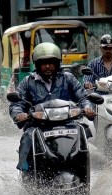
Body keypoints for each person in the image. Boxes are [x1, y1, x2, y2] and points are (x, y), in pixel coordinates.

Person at [9, 42, 96, 171]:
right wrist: (19, 114)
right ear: (37, 65)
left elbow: (83, 97)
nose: (48, 66)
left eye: (51, 62)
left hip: (67, 123)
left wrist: (88, 107)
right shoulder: (28, 82)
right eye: (44, 63)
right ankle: (25, 168)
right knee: (28, 136)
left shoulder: (68, 79)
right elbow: (17, 103)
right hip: (38, 125)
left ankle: (81, 166)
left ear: (57, 63)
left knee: (82, 130)